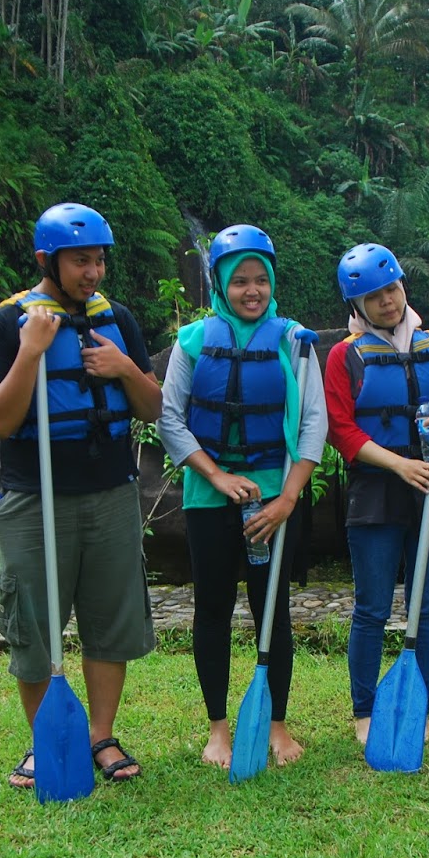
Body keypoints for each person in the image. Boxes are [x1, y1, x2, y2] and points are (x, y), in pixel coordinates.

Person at [0, 202, 163, 788]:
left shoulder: (119, 320)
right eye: (81, 261)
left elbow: (154, 408)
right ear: (46, 261)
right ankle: (44, 740)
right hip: (35, 499)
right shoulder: (5, 326)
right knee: (33, 623)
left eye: (99, 260)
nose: (93, 272)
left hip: (109, 494)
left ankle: (100, 736)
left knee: (109, 621)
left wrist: (125, 368)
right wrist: (32, 350)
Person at [157, 224, 326, 770]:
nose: (251, 291)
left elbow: (313, 425)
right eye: (239, 282)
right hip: (209, 499)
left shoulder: (294, 341)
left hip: (276, 501)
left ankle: (277, 725)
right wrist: (218, 477)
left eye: (260, 280)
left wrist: (287, 501)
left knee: (272, 613)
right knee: (212, 610)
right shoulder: (192, 342)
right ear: (220, 285)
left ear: (272, 282)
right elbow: (171, 420)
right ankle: (218, 730)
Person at [323, 244, 429, 745]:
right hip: (377, 493)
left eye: (391, 288)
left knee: (426, 607)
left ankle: (418, 704)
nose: (387, 301)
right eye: (373, 296)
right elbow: (341, 431)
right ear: (356, 306)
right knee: (371, 607)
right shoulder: (346, 357)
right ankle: (365, 711)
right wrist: (399, 464)